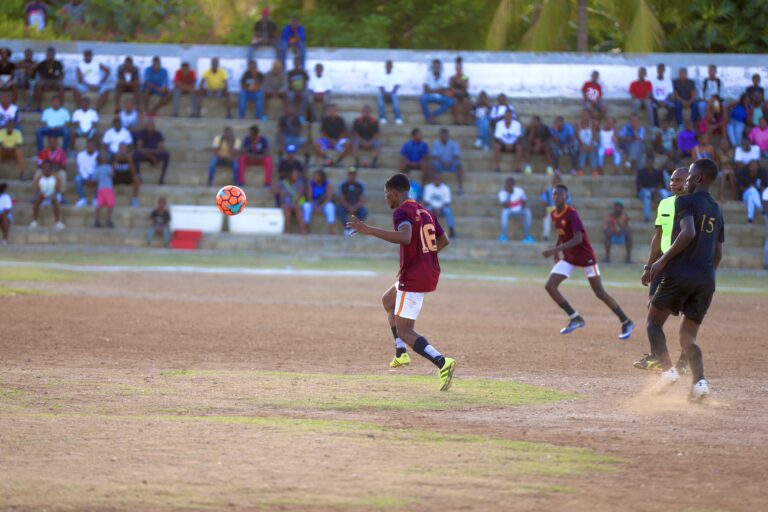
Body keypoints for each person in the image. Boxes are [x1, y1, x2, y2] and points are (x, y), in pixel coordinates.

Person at [346, 173, 456, 390]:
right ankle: (401, 353)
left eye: (387, 194)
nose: (386, 198)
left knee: (406, 330)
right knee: (388, 301)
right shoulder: (424, 211)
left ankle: (443, 362)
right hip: (426, 272)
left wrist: (369, 230)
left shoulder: (402, 211)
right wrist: (425, 257)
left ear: (395, 193)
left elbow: (405, 237)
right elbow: (444, 240)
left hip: (414, 277)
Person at [646, 158, 724, 402]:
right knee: (688, 337)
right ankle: (699, 383)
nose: (686, 179)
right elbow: (718, 253)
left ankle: (668, 371)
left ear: (699, 178)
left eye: (689, 175)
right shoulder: (716, 209)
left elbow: (688, 232)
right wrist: (704, 276)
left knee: (653, 322)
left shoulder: (685, 201)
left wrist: (660, 262)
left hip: (680, 274)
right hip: (706, 279)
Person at [542, 184, 635, 338]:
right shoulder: (553, 214)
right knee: (550, 286)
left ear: (566, 197)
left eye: (560, 194)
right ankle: (575, 318)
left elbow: (578, 239)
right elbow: (561, 232)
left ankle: (626, 321)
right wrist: (557, 250)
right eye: (554, 194)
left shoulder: (572, 214)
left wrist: (554, 250)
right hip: (569, 258)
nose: (556, 197)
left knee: (599, 292)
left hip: (586, 258)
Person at [635, 166, 690, 372]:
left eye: (679, 180)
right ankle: (656, 356)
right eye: (673, 180)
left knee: (688, 313)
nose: (674, 184)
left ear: (690, 181)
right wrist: (649, 266)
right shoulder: (665, 203)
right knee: (652, 307)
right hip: (661, 263)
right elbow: (658, 236)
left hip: (684, 263)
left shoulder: (695, 205)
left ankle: (683, 361)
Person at [133, 119, 170, 185]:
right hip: (145, 155)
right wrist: (151, 157)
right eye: (148, 125)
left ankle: (162, 177)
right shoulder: (141, 133)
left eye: (151, 125)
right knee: (136, 155)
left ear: (154, 126)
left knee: (166, 155)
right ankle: (138, 177)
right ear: (145, 126)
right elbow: (139, 149)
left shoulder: (158, 134)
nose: (150, 127)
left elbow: (161, 148)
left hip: (154, 154)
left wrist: (151, 153)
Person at [30, 161, 64, 230]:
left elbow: (59, 189)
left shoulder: (56, 177)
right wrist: (42, 194)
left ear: (51, 169)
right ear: (42, 169)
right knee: (38, 198)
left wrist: (53, 193)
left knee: (55, 199)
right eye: (44, 168)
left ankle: (57, 222)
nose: (46, 169)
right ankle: (34, 221)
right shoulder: (39, 177)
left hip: (53, 195)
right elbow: (36, 189)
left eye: (48, 168)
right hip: (42, 196)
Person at [498, 177, 533, 243]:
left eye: (511, 184)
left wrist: (521, 205)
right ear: (506, 184)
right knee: (504, 212)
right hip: (509, 212)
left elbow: (524, 201)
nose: (510, 186)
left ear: (514, 185)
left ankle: (526, 237)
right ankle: (503, 236)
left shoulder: (519, 191)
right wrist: (509, 194)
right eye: (508, 184)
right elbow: (505, 206)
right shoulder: (502, 193)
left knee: (527, 212)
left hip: (519, 211)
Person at [636, 155, 671, 222]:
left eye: (650, 161)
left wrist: (656, 190)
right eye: (647, 161)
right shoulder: (641, 172)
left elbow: (662, 185)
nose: (649, 163)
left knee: (665, 193)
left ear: (653, 162)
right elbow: (638, 186)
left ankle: (665, 216)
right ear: (645, 162)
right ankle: (647, 217)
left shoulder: (657, 172)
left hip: (655, 191)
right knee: (647, 194)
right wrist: (649, 190)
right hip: (644, 191)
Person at [420, 59, 455, 124]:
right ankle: (428, 118)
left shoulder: (444, 76)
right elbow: (425, 89)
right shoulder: (427, 75)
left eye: (437, 67)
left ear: (440, 67)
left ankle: (433, 115)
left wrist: (432, 90)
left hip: (440, 97)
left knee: (451, 101)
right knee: (422, 98)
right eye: (435, 67)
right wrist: (438, 90)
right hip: (429, 96)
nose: (436, 68)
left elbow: (444, 90)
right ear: (432, 67)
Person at [302, 169, 335, 234]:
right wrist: (315, 207)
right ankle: (306, 229)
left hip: (323, 205)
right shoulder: (311, 184)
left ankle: (331, 231)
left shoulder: (327, 184)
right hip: (313, 204)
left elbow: (328, 198)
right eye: (314, 176)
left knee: (330, 206)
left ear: (322, 177)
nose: (315, 177)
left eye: (317, 176)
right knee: (306, 206)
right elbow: (309, 197)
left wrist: (321, 207)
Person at [431, 128, 464, 192]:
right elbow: (434, 156)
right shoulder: (436, 144)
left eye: (445, 135)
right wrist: (443, 162)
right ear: (440, 136)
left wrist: (450, 162)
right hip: (440, 164)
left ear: (447, 136)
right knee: (432, 165)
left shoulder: (453, 144)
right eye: (442, 135)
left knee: (459, 165)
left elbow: (456, 156)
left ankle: (460, 187)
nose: (444, 137)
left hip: (451, 164)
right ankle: (433, 185)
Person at [423, 173, 455, 238]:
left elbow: (447, 202)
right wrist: (435, 209)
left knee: (447, 211)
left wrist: (439, 209)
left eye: (438, 179)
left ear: (441, 180)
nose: (437, 180)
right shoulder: (428, 187)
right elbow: (426, 201)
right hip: (432, 208)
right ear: (433, 179)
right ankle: (426, 230)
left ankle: (451, 229)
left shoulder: (445, 188)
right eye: (435, 179)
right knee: (427, 209)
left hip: (442, 208)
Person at [337, 167, 367, 235]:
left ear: (356, 175)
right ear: (348, 175)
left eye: (353, 174)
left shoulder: (360, 185)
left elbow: (362, 200)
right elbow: (341, 199)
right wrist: (349, 207)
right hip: (346, 205)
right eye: (350, 174)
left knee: (364, 211)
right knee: (339, 210)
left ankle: (355, 228)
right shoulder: (343, 185)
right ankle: (348, 228)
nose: (352, 176)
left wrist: (354, 207)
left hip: (356, 206)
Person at [493, 109, 524, 174]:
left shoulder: (517, 124)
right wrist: (506, 144)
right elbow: (498, 137)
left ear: (511, 116)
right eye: (506, 115)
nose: (508, 117)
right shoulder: (499, 124)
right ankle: (497, 167)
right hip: (502, 144)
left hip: (514, 144)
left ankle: (518, 167)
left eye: (509, 115)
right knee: (497, 146)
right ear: (504, 116)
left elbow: (518, 137)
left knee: (519, 147)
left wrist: (512, 144)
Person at [278, 166, 307, 234]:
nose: (296, 175)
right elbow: (272, 189)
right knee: (286, 209)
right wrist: (279, 191)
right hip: (285, 204)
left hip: (295, 203)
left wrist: (292, 204)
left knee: (298, 209)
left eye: (297, 174)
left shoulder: (300, 183)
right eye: (295, 174)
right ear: (290, 174)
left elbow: (299, 195)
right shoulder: (283, 183)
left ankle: (303, 230)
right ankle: (288, 230)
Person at [540, 174, 568, 241]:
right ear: (553, 182)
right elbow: (544, 201)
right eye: (555, 181)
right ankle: (546, 236)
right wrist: (545, 208)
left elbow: (568, 203)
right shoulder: (547, 191)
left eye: (558, 181)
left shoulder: (565, 192)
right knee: (547, 216)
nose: (556, 183)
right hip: (551, 209)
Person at [113, 143, 140, 207]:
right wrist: (116, 160)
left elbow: (133, 172)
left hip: (127, 176)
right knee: (107, 178)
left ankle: (135, 199)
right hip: (117, 176)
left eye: (123, 148)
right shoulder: (115, 156)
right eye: (121, 148)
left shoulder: (130, 157)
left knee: (136, 178)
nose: (122, 150)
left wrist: (129, 161)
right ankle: (109, 198)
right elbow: (112, 170)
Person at [74, 138, 98, 207]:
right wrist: (87, 178)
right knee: (77, 179)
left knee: (101, 179)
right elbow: (81, 169)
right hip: (84, 176)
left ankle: (96, 199)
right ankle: (82, 199)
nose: (90, 148)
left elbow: (98, 168)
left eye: (92, 146)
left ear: (94, 147)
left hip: (94, 176)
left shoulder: (97, 155)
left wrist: (93, 177)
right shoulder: (80, 155)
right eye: (89, 146)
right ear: (86, 147)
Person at [92, 153, 115, 228]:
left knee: (99, 205)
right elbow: (112, 174)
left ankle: (97, 220)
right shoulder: (108, 167)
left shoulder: (97, 169)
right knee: (110, 205)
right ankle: (108, 220)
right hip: (108, 188)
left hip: (100, 189)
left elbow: (94, 178)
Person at [377, 60, 402, 124]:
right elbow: (380, 86)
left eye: (390, 65)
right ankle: (382, 118)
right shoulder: (381, 75)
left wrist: (390, 94)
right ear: (385, 66)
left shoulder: (396, 75)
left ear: (392, 67)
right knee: (380, 103)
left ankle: (398, 118)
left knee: (395, 103)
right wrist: (385, 94)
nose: (389, 67)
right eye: (387, 65)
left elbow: (396, 86)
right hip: (383, 93)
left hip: (392, 93)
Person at [286, 57, 309, 121]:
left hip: (301, 90)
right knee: (289, 96)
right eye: (295, 62)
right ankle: (291, 115)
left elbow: (305, 84)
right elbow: (289, 84)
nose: (296, 63)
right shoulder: (290, 73)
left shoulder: (304, 72)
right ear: (293, 63)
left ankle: (301, 116)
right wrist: (295, 91)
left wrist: (300, 91)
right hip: (292, 90)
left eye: (298, 62)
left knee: (306, 96)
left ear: (300, 63)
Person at [449, 57, 470, 125]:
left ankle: (465, 120)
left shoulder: (464, 77)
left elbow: (466, 88)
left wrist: (461, 81)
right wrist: (457, 91)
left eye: (460, 69)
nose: (459, 70)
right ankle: (456, 121)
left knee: (466, 102)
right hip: (455, 94)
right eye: (457, 69)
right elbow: (451, 88)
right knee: (454, 102)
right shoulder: (452, 78)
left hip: (463, 95)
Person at [576, 110, 597, 175]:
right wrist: (582, 144)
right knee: (583, 150)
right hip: (580, 143)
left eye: (587, 115)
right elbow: (577, 136)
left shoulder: (592, 123)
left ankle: (594, 170)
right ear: (582, 116)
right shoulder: (577, 124)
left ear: (589, 116)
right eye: (584, 115)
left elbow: (593, 135)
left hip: (590, 142)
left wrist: (591, 144)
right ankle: (581, 170)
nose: (585, 117)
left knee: (592, 149)